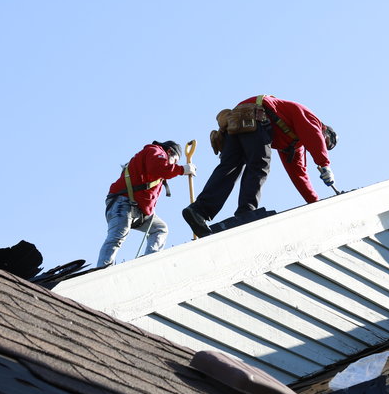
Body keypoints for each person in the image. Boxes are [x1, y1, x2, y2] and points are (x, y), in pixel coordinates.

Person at [183, 95, 337, 238]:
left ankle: (198, 211)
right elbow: (314, 135)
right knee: (259, 164)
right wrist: (325, 164)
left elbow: (299, 175)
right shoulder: (312, 121)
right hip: (256, 116)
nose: (324, 146)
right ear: (324, 129)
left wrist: (315, 204)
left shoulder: (293, 142)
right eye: (326, 142)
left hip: (237, 120)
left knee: (229, 167)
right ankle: (245, 212)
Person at [97, 140, 195, 267]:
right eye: (175, 160)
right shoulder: (155, 151)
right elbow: (158, 168)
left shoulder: (155, 160)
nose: (174, 164)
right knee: (117, 237)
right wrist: (182, 170)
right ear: (170, 152)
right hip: (123, 203)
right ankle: (102, 269)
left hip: (137, 209)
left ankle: (149, 261)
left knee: (160, 228)